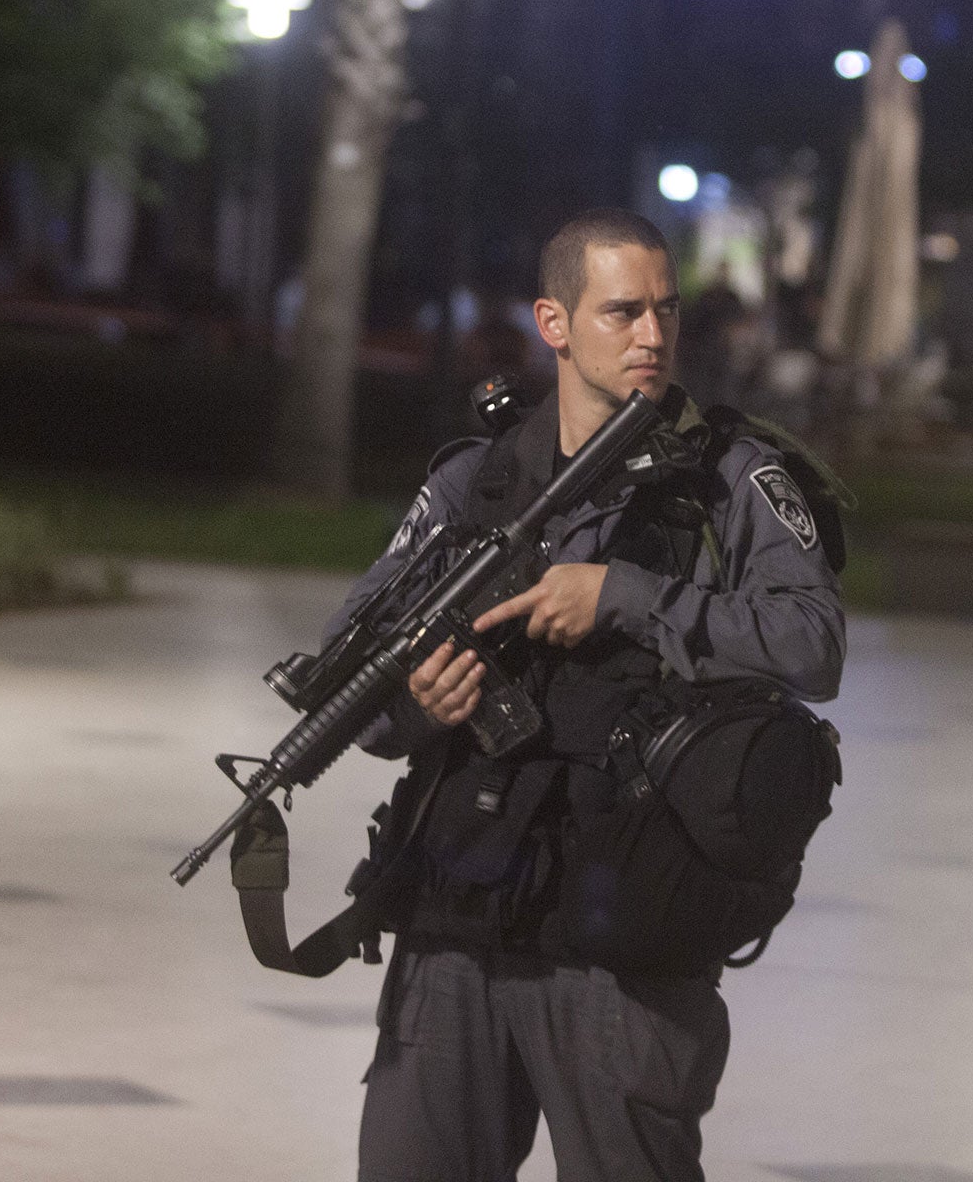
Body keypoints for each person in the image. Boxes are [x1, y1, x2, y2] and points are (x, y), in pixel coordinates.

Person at [326, 207, 845, 1182]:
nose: (651, 335)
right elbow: (356, 668)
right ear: (553, 323)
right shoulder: (475, 482)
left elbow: (810, 642)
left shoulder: (732, 477)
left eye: (663, 309)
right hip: (456, 927)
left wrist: (626, 597)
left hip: (628, 940)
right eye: (621, 312)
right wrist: (417, 704)